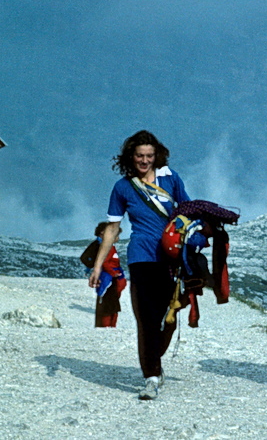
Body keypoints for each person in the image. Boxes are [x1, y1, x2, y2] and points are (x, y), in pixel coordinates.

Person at [90, 130, 190, 401]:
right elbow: (112, 229)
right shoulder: (123, 187)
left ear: (156, 156)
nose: (144, 161)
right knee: (146, 318)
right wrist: (98, 265)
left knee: (168, 317)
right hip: (141, 256)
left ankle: (152, 359)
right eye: (139, 156)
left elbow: (188, 211)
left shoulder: (171, 179)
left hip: (171, 257)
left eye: (149, 156)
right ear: (130, 157)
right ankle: (152, 377)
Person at [80, 222, 127, 328]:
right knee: (108, 302)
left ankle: (110, 324)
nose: (117, 238)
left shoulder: (109, 246)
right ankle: (106, 325)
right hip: (108, 277)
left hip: (113, 277)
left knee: (112, 302)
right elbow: (105, 262)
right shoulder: (104, 247)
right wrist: (114, 273)